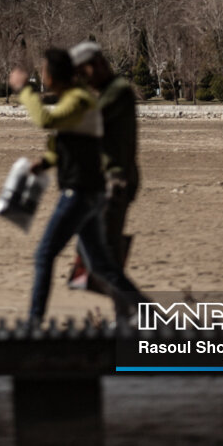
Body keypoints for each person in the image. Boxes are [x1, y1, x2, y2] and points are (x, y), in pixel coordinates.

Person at [10, 46, 144, 325]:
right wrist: (45, 163)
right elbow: (72, 139)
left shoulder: (81, 99)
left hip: (82, 191)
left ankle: (33, 324)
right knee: (101, 265)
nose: (42, 75)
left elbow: (45, 119)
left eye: (44, 70)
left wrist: (24, 91)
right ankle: (151, 318)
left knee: (45, 254)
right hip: (90, 190)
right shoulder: (77, 98)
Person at [68, 41, 141, 292]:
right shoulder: (110, 91)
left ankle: (136, 315)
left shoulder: (118, 91)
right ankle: (127, 315)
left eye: (82, 72)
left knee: (105, 259)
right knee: (102, 256)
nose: (82, 78)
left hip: (116, 182)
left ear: (96, 65)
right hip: (108, 181)